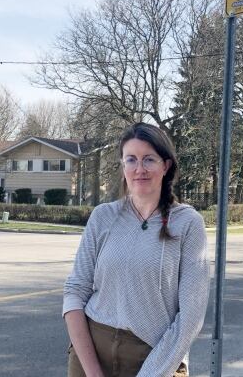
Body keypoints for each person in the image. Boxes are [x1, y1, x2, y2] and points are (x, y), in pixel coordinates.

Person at [62, 122, 209, 377]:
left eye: (149, 159)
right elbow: (75, 291)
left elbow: (191, 318)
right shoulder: (103, 217)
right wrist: (93, 372)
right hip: (93, 354)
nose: (139, 169)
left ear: (166, 165)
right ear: (123, 166)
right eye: (131, 160)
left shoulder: (188, 223)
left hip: (158, 358)